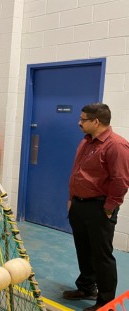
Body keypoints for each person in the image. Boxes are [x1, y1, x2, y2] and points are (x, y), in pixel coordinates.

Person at [63, 103, 129, 311]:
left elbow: (121, 181)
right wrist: (72, 198)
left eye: (83, 119)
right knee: (83, 249)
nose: (79, 123)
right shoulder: (86, 142)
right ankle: (86, 287)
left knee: (101, 255)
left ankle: (106, 302)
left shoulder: (116, 146)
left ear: (96, 121)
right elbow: (77, 173)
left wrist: (109, 208)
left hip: (100, 207)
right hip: (79, 205)